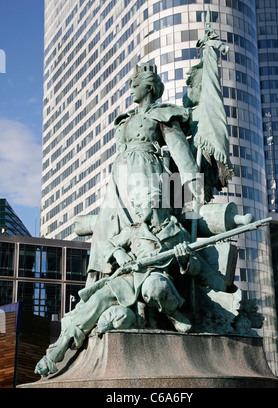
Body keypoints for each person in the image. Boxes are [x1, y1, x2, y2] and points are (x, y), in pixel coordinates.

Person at [34, 193, 201, 378]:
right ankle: (59, 350)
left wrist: (185, 258)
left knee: (154, 287)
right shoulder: (135, 230)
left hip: (156, 276)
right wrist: (118, 253)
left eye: (139, 204)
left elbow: (196, 267)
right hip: (129, 277)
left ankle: (173, 313)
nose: (136, 209)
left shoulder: (179, 232)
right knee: (97, 299)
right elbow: (108, 245)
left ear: (154, 204)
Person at [86, 62, 202, 284]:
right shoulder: (125, 119)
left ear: (148, 88)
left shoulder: (161, 113)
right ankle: (104, 276)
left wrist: (193, 181)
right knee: (106, 224)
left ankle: (151, 271)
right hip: (120, 177)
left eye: (135, 85)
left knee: (148, 218)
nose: (131, 90)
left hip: (147, 171)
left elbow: (178, 149)